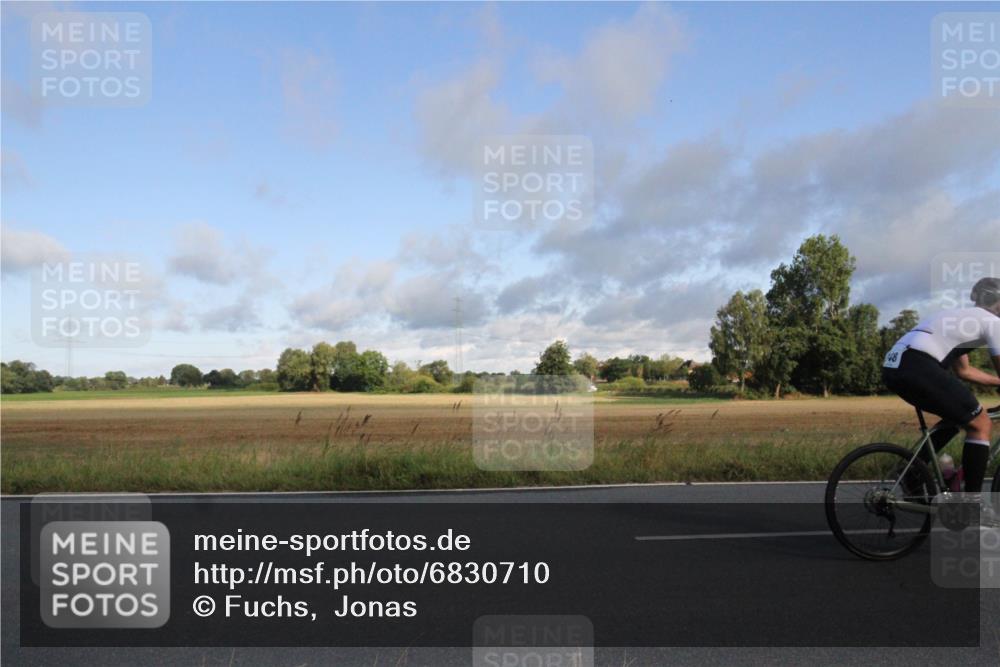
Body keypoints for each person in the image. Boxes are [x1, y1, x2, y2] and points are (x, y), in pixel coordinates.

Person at [881, 277, 1000, 510]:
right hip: (918, 365)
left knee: (960, 417)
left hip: (896, 366)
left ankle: (914, 473)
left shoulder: (961, 317)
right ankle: (970, 505)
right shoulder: (993, 322)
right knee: (981, 424)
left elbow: (964, 371)